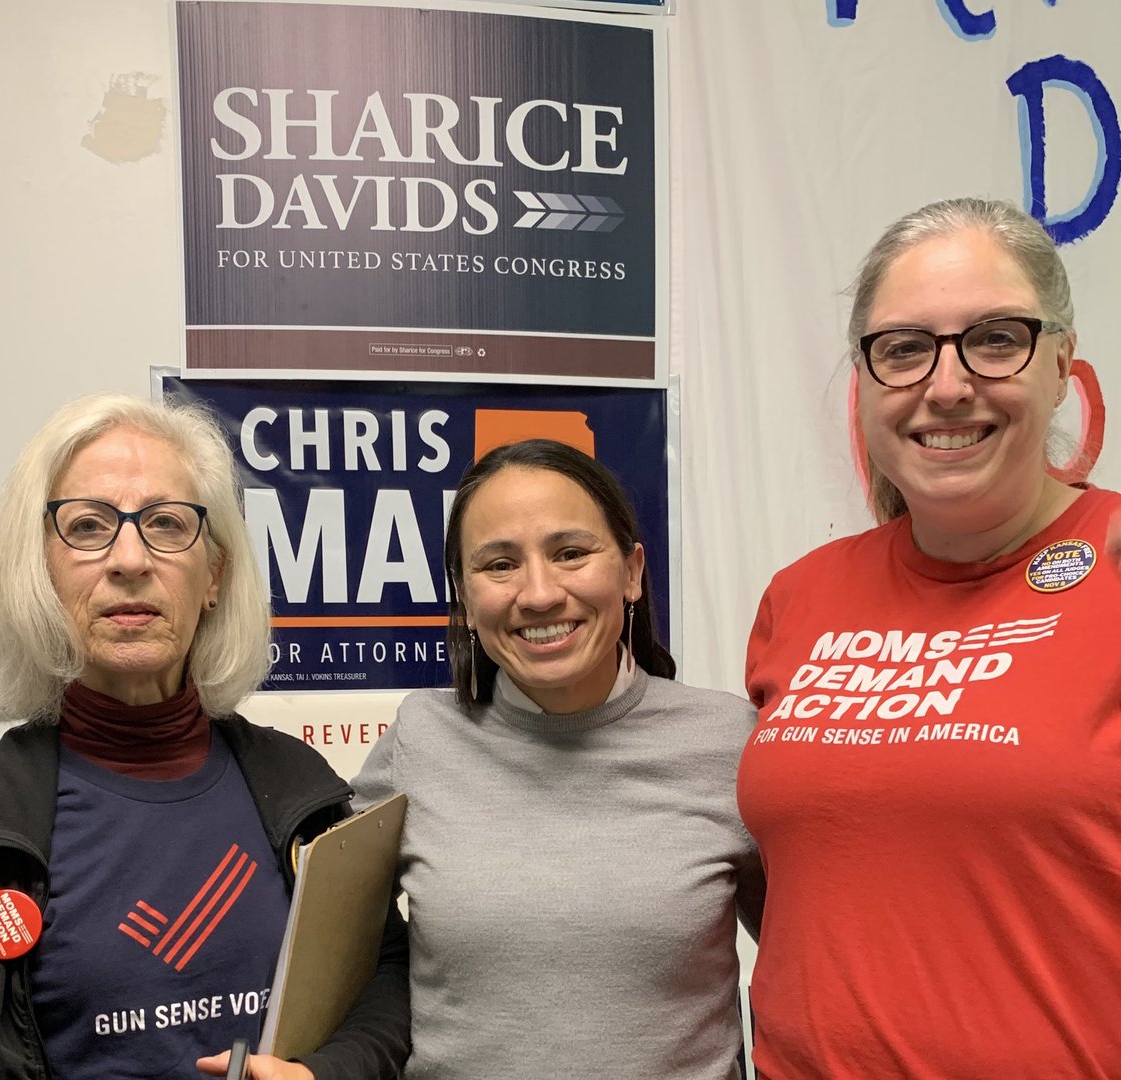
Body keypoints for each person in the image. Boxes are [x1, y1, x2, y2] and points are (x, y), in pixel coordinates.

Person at [738, 197, 1121, 1079]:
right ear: (866, 381)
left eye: (994, 339)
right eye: (905, 349)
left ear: (1062, 364)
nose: (946, 386)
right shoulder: (801, 597)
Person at [0, 393, 409, 1080]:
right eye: (88, 526)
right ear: (41, 572)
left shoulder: (302, 787)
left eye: (166, 524)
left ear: (214, 575)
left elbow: (385, 980)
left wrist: (325, 1073)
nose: (129, 559)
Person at [353, 438, 763, 1080]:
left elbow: (818, 971)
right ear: (462, 596)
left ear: (631, 572)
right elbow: (338, 964)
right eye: (499, 565)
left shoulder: (729, 741)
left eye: (571, 553)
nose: (539, 593)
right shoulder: (418, 740)